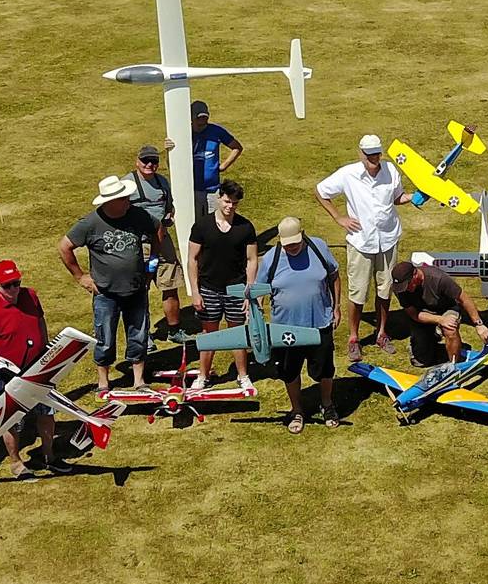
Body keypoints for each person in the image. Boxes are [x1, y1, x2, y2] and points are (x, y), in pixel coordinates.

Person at [59, 174, 160, 396]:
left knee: (139, 334)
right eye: (123, 198)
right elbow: (64, 247)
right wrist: (80, 277)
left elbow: (157, 230)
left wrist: (151, 266)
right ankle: (103, 382)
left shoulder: (139, 215)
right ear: (109, 202)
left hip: (136, 289)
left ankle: (139, 380)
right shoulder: (90, 223)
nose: (128, 201)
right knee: (104, 338)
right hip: (106, 293)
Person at [315, 134, 407, 363]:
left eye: (377, 154)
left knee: (385, 290)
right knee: (358, 292)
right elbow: (321, 191)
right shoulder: (348, 174)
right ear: (361, 154)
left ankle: (382, 333)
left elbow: (397, 198)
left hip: (388, 239)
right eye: (370, 155)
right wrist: (339, 218)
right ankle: (354, 338)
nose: (374, 159)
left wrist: (416, 197)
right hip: (361, 242)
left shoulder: (391, 171)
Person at [0, 259, 63, 477]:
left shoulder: (31, 296)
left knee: (47, 413)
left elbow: (40, 320)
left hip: (39, 368)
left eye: (16, 283)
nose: (13, 289)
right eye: (7, 285)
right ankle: (16, 462)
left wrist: (46, 347)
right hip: (9, 376)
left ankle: (49, 456)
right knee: (11, 420)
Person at [258, 216, 342, 434]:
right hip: (286, 329)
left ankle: (327, 404)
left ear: (303, 234)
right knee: (289, 370)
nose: (292, 248)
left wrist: (336, 307)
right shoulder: (270, 258)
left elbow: (334, 276)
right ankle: (297, 410)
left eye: (295, 243)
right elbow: (259, 289)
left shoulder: (319, 247)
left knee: (325, 368)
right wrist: (256, 311)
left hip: (319, 323)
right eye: (287, 245)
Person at [185, 177, 260, 392]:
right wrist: (195, 292)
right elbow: (192, 259)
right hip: (209, 287)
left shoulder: (245, 227)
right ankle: (203, 376)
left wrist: (249, 290)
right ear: (218, 198)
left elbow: (252, 259)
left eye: (234, 203)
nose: (230, 207)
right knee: (209, 333)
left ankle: (243, 375)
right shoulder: (202, 226)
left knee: (237, 332)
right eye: (227, 201)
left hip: (236, 288)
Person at [127, 144, 185, 342]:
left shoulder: (162, 182)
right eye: (145, 160)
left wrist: (169, 217)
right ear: (137, 161)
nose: (149, 164)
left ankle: (174, 331)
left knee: (170, 285)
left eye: (154, 161)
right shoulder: (127, 184)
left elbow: (170, 208)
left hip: (162, 243)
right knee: (139, 290)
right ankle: (143, 336)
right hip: (139, 245)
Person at [390, 259, 488, 368]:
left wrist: (478, 324)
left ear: (415, 275)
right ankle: (435, 343)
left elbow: (464, 299)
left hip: (447, 308)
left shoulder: (439, 278)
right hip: (422, 314)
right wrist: (440, 320)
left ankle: (454, 365)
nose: (405, 289)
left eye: (407, 285)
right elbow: (414, 315)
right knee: (421, 360)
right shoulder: (400, 289)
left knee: (450, 328)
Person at [189, 101, 243, 214]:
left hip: (212, 190)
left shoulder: (216, 131)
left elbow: (237, 147)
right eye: (199, 118)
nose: (203, 120)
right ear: (191, 117)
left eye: (205, 117)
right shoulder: (184, 133)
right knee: (195, 221)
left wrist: (223, 166)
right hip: (192, 190)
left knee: (214, 219)